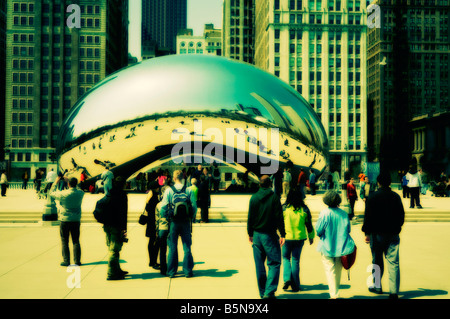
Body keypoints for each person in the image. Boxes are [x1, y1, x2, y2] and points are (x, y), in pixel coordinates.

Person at [362, 173, 405, 299]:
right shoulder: (396, 197)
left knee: (376, 260)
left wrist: (367, 233)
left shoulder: (373, 197)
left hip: (377, 234)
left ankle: (377, 286)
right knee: (393, 263)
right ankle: (393, 292)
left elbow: (368, 217)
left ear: (378, 183)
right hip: (393, 234)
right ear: (390, 182)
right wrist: (397, 227)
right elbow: (401, 216)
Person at [247, 175, 286, 299]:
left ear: (259, 184)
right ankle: (269, 292)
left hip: (257, 235)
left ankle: (263, 292)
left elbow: (250, 217)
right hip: (269, 235)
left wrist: (250, 233)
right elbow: (279, 217)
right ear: (270, 184)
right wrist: (283, 234)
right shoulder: (274, 198)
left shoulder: (253, 198)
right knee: (274, 263)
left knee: (259, 265)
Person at [315, 190, 356, 299]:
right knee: (338, 271)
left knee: (330, 270)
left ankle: (334, 295)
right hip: (342, 247)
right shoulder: (343, 213)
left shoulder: (324, 213)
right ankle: (335, 293)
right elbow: (348, 229)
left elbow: (318, 230)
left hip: (327, 246)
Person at [159, 170, 197, 278]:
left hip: (173, 222)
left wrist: (166, 217)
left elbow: (163, 208)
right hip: (185, 222)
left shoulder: (169, 190)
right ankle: (187, 271)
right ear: (183, 178)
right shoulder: (189, 190)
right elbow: (194, 206)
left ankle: (171, 271)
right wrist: (191, 217)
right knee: (187, 247)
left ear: (174, 178)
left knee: (172, 247)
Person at [96, 176, 129, 280]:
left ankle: (117, 269)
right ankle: (111, 273)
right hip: (116, 226)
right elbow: (123, 213)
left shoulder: (110, 193)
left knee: (113, 248)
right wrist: (124, 228)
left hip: (107, 225)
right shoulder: (122, 195)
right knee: (114, 250)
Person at [282, 189, 315, 292]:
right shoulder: (304, 209)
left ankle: (287, 279)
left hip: (286, 238)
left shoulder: (284, 208)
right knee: (295, 260)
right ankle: (295, 284)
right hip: (300, 238)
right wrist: (311, 236)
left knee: (286, 258)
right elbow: (308, 224)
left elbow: (278, 222)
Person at [49, 176, 85, 267]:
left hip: (65, 219)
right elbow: (78, 188)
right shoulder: (80, 193)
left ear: (68, 184)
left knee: (65, 241)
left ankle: (66, 261)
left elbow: (51, 193)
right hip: (76, 219)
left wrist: (55, 183)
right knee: (76, 241)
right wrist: (69, 181)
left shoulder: (63, 194)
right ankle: (77, 261)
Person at [139, 181, 160, 269]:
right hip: (154, 223)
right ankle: (153, 261)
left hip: (150, 223)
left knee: (151, 242)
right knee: (155, 243)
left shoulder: (149, 196)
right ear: (156, 188)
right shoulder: (154, 197)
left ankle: (152, 261)